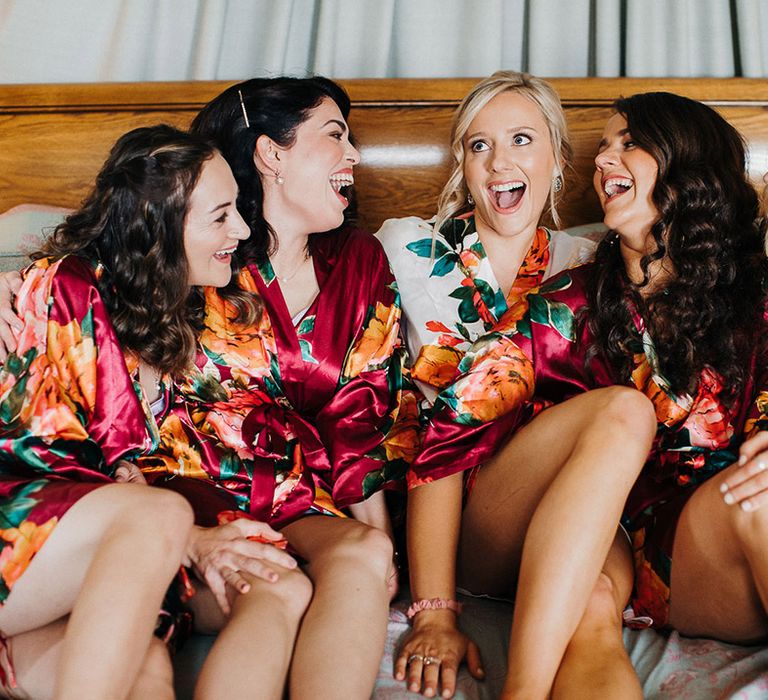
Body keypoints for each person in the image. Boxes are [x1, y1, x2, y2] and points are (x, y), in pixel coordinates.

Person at [407, 92, 768, 699]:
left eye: (627, 143)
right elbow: (446, 433)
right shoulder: (569, 303)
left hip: (678, 548)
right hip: (526, 522)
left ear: (688, 164)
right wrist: (436, 611)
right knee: (624, 414)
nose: (605, 160)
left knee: (760, 503)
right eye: (601, 147)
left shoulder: (753, 292)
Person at [137, 77, 419, 699]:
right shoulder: (203, 245)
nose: (354, 157)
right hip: (188, 491)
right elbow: (94, 293)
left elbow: (360, 419)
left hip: (298, 493)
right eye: (336, 135)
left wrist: (391, 560)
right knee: (278, 581)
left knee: (366, 554)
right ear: (272, 154)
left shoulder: (359, 260)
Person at [0, 124, 254, 700]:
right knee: (155, 515)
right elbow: (44, 457)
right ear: (157, 230)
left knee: (147, 672)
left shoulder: (167, 315)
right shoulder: (64, 288)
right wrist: (181, 531)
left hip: (61, 563)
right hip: (23, 525)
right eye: (220, 215)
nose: (240, 230)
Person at [376, 71, 597, 404]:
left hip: (548, 451)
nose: (498, 162)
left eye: (521, 139)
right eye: (479, 146)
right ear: (465, 167)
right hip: (433, 449)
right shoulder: (405, 246)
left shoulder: (587, 263)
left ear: (558, 161)